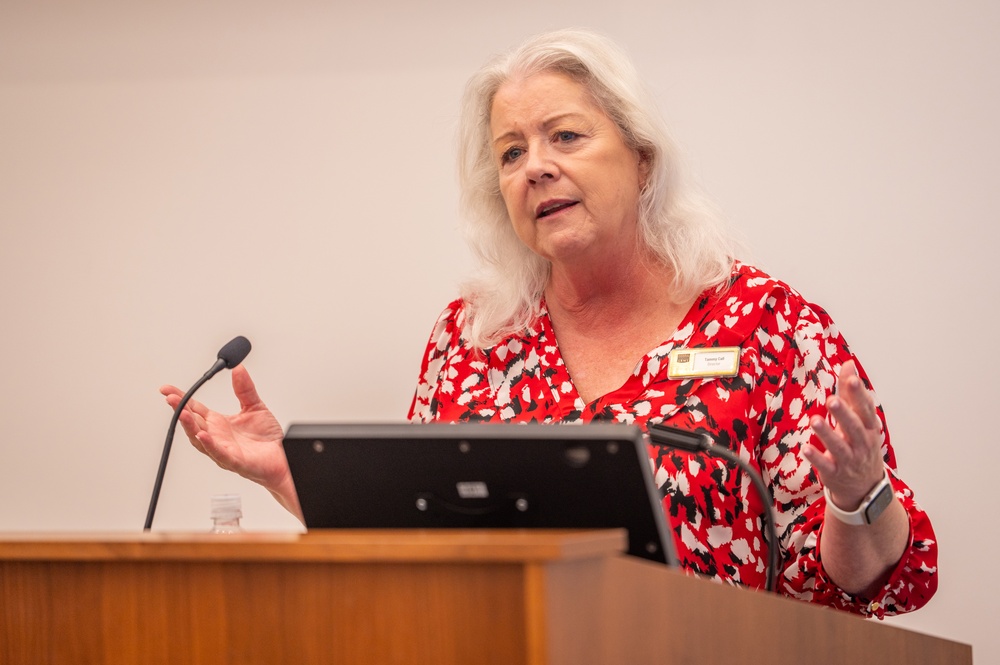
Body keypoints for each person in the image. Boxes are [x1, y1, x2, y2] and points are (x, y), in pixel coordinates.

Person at [161, 29, 936, 618]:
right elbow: (417, 541)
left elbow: (874, 583)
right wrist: (294, 476)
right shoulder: (474, 339)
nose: (534, 166)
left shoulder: (763, 324)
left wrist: (856, 495)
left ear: (640, 158)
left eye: (565, 136)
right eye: (510, 152)